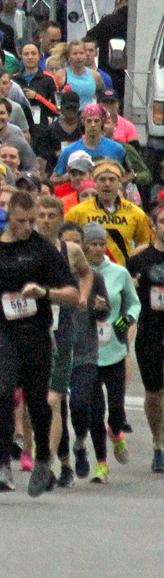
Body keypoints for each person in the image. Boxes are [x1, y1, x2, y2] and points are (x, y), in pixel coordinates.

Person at [0, 191, 79, 497]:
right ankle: (3, 465)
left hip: (37, 331)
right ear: (8, 217)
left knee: (37, 400)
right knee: (3, 391)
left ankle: (42, 459)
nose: (28, 227)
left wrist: (44, 293)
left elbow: (73, 294)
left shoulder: (44, 249)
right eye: (21, 221)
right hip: (3, 329)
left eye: (31, 221)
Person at [81, 221, 140, 482]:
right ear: (84, 246)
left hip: (114, 350)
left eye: (100, 244)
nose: (96, 248)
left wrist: (121, 324)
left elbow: (134, 304)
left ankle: (116, 433)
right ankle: (101, 464)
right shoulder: (79, 274)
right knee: (95, 411)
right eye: (92, 244)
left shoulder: (118, 272)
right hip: (89, 352)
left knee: (116, 410)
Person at [126, 201, 164, 472]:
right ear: (153, 225)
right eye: (163, 221)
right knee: (154, 392)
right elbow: (128, 302)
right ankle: (157, 442)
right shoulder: (139, 261)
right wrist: (122, 331)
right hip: (150, 331)